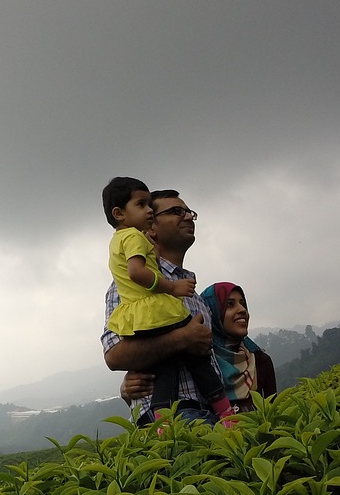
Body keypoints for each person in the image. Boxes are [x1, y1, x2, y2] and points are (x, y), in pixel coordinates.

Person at [101, 178, 234, 425]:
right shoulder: (133, 287)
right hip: (173, 416)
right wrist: (183, 338)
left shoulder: (194, 294)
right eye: (175, 212)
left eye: (189, 212)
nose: (187, 217)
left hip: (210, 413)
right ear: (151, 228)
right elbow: (114, 355)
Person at [199, 282, 278, 413]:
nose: (242, 310)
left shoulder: (261, 361)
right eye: (230, 304)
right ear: (211, 312)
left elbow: (275, 414)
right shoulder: (201, 362)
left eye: (243, 304)